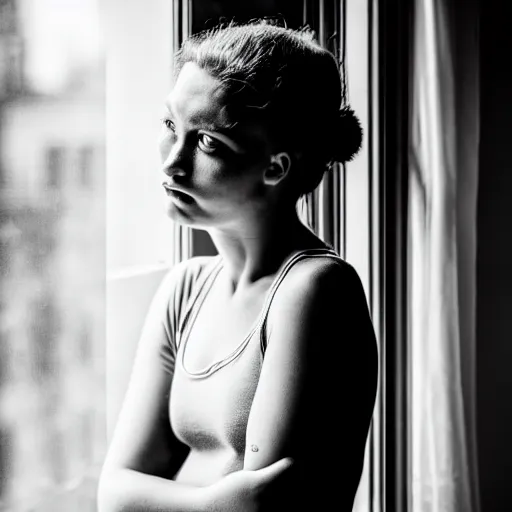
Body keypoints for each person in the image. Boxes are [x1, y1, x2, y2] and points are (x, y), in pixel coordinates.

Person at [98, 19, 378, 512]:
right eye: (171, 127)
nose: (172, 164)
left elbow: (269, 510)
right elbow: (115, 493)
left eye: (207, 142)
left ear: (276, 167)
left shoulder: (314, 288)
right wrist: (219, 502)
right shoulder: (184, 290)